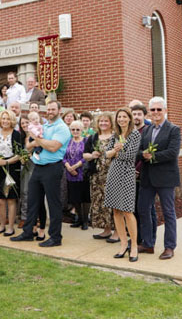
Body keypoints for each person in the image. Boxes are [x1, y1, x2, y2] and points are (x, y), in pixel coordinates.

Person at [11, 100, 71, 247]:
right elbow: (29, 146)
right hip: (38, 167)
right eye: (48, 109)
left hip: (52, 168)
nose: (50, 112)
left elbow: (53, 147)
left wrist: (38, 140)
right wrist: (38, 142)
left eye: (53, 109)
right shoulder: (44, 126)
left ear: (59, 110)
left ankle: (56, 237)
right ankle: (28, 233)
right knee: (32, 201)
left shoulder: (62, 128)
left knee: (53, 204)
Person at [138, 96, 181, 260]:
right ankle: (148, 244)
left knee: (168, 212)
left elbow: (173, 152)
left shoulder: (173, 129)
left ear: (165, 111)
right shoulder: (147, 130)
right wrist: (143, 154)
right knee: (143, 209)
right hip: (148, 178)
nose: (155, 112)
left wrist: (152, 156)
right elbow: (139, 151)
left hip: (165, 179)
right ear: (149, 111)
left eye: (159, 109)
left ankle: (169, 247)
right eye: (153, 109)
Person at [104, 108, 141, 262]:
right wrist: (115, 150)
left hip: (127, 173)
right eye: (119, 117)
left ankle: (134, 246)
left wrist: (116, 151)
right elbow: (107, 153)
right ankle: (123, 244)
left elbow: (130, 155)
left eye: (124, 117)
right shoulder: (115, 135)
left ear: (129, 118)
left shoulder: (135, 135)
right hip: (113, 172)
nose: (121, 119)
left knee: (127, 210)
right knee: (116, 210)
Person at [83, 113, 118, 242]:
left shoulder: (116, 137)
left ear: (111, 123)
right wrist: (92, 155)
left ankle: (117, 232)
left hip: (112, 174)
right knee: (100, 203)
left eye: (106, 121)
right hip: (96, 176)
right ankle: (106, 229)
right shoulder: (93, 138)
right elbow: (84, 155)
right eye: (101, 121)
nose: (103, 123)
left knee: (113, 203)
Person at [131, 104, 157, 247]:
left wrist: (137, 170)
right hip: (130, 176)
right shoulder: (130, 133)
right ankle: (138, 237)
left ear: (144, 116)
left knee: (148, 209)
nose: (136, 117)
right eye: (134, 114)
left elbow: (146, 154)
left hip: (143, 176)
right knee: (135, 209)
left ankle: (150, 240)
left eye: (139, 114)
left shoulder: (147, 131)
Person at [0, 110, 21, 237]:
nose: (5, 121)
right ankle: (2, 225)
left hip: (12, 170)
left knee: (11, 199)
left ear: (12, 121)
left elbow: (19, 154)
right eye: (3, 118)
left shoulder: (16, 134)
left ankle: (10, 227)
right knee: (0, 200)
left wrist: (7, 162)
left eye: (8, 119)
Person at [63, 120, 90, 230]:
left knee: (84, 198)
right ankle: (78, 219)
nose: (75, 131)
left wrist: (75, 167)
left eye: (77, 129)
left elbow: (87, 156)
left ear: (82, 130)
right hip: (70, 174)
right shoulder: (68, 142)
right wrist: (68, 167)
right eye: (73, 129)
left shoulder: (86, 141)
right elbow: (63, 156)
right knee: (75, 198)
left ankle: (85, 220)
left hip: (82, 172)